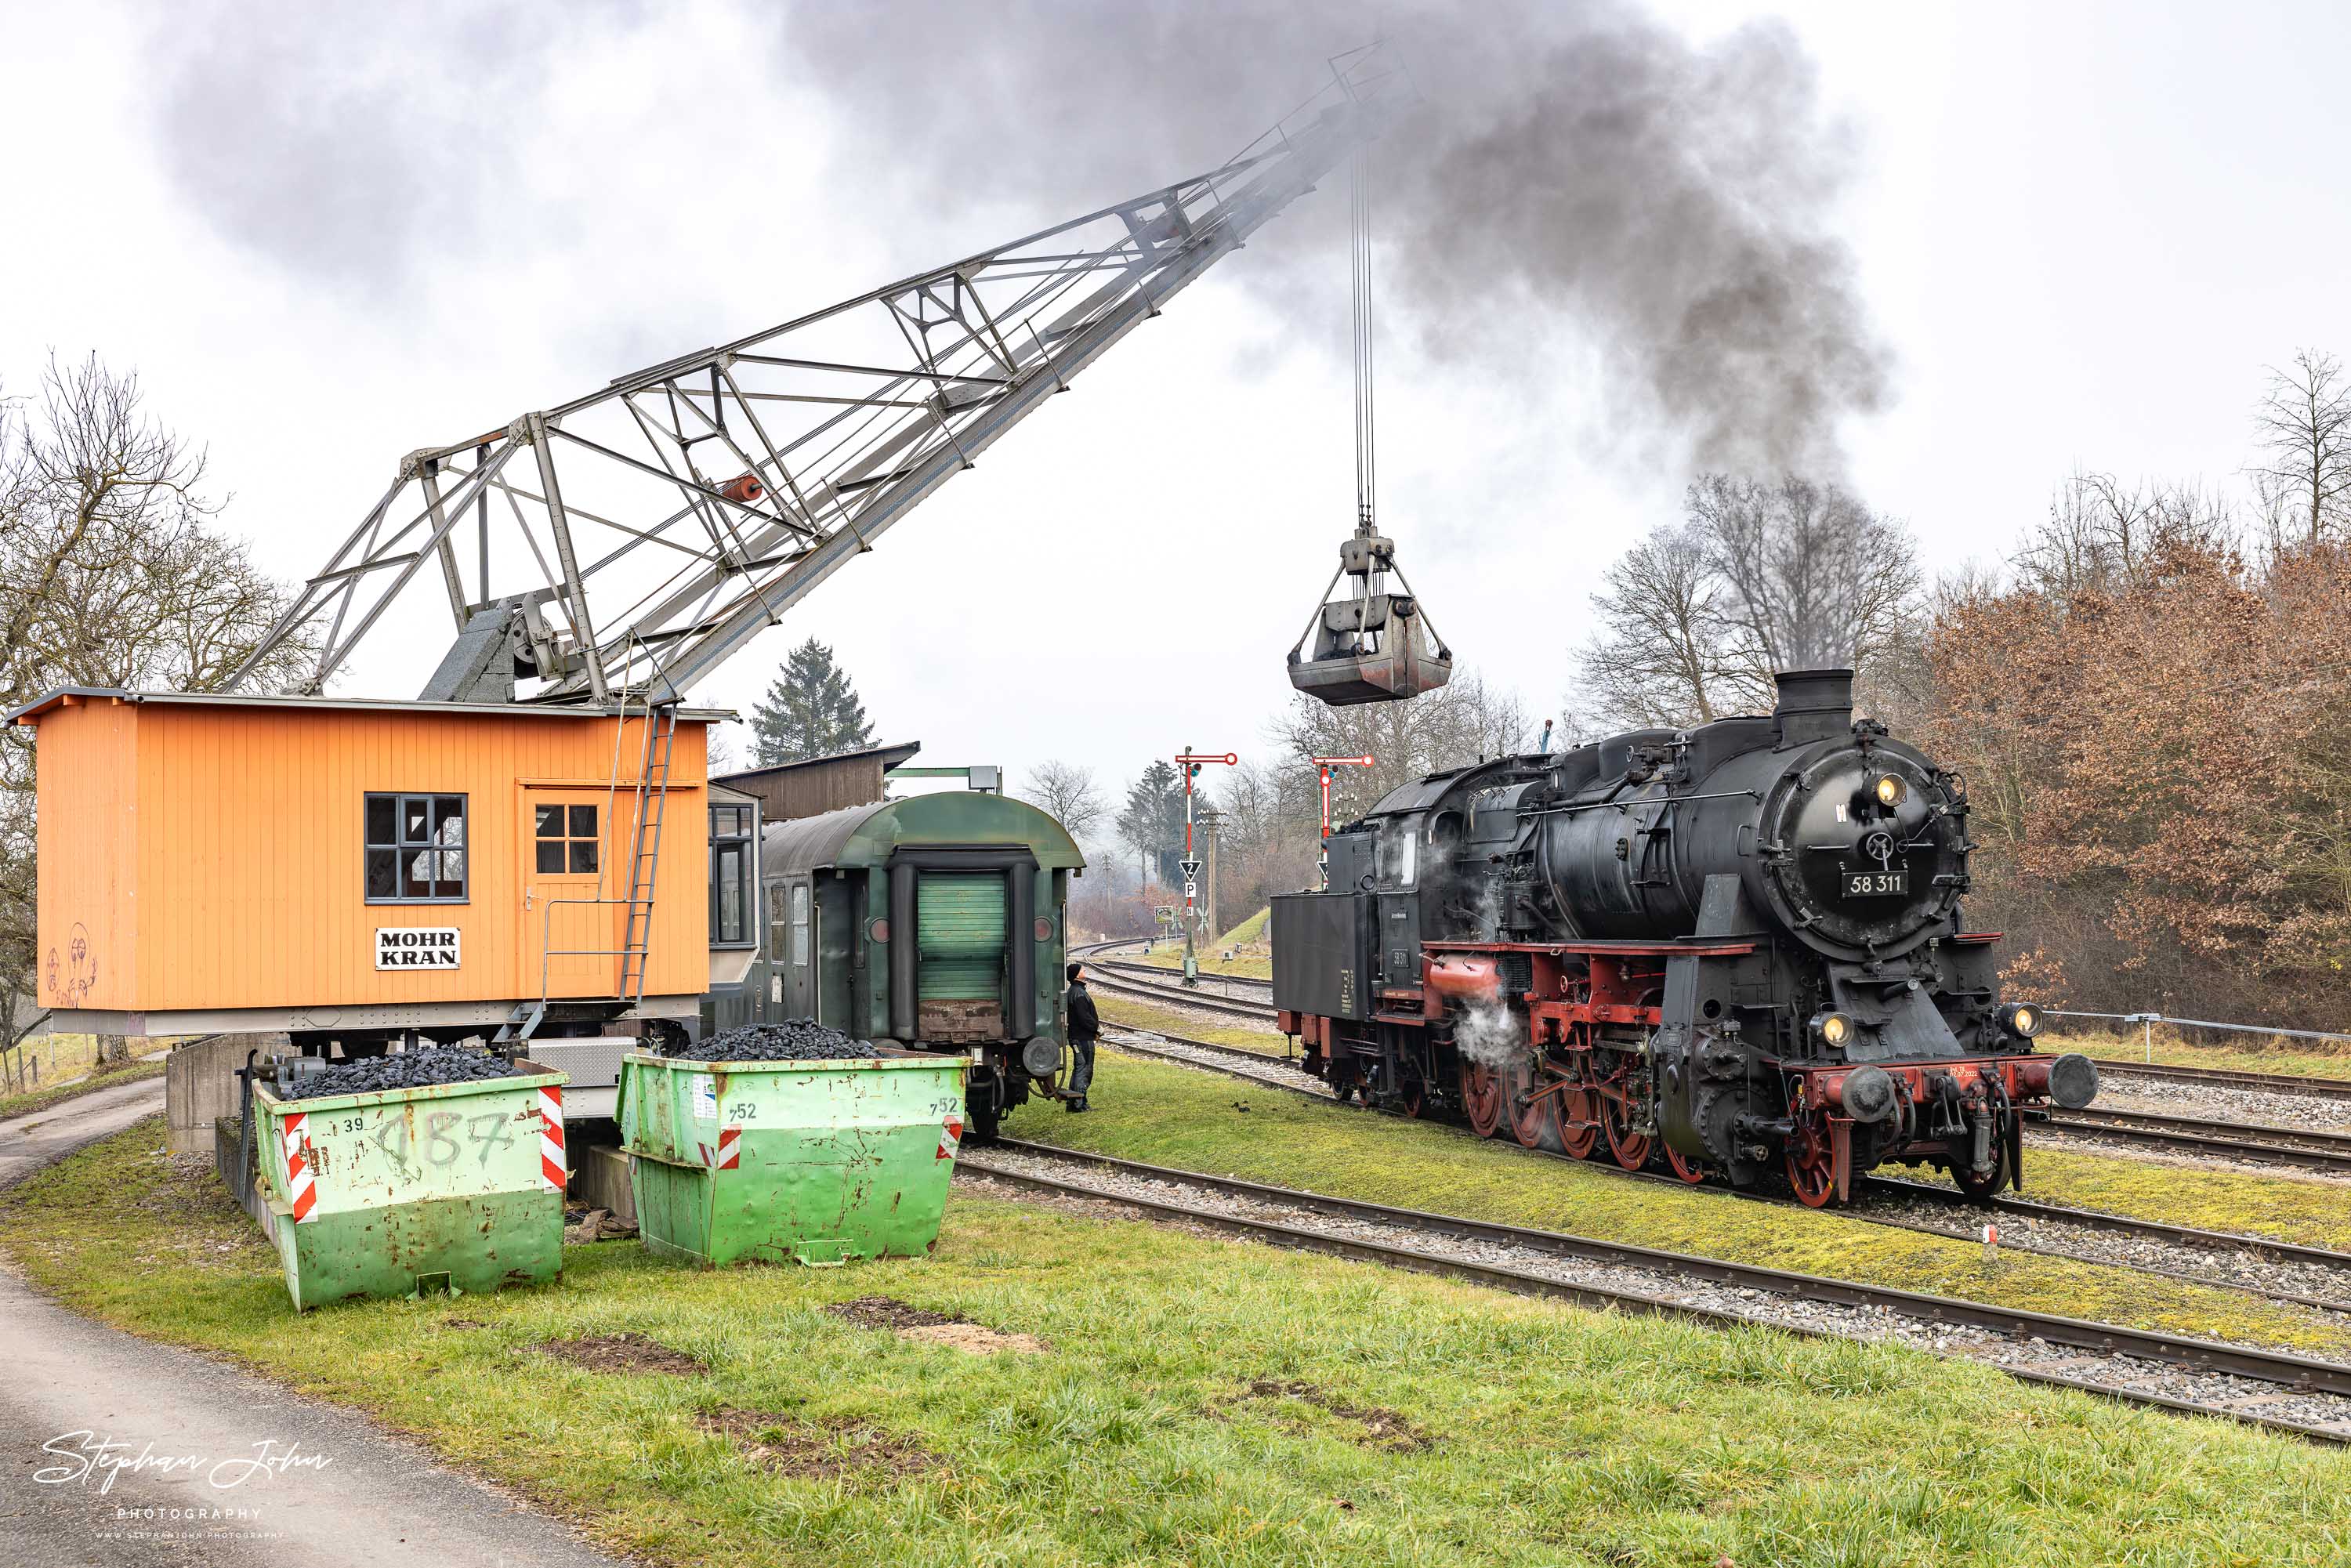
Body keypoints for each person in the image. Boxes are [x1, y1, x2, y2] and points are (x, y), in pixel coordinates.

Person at [1064, 961, 1099, 1113]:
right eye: (1082, 969)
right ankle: (1079, 1104)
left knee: (1079, 1068)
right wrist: (1097, 1028)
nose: (1084, 971)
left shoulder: (1074, 991)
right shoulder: (1078, 993)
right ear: (1078, 975)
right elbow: (1084, 1017)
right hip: (1082, 1037)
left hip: (1079, 1036)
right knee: (1084, 1069)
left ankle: (1074, 1102)